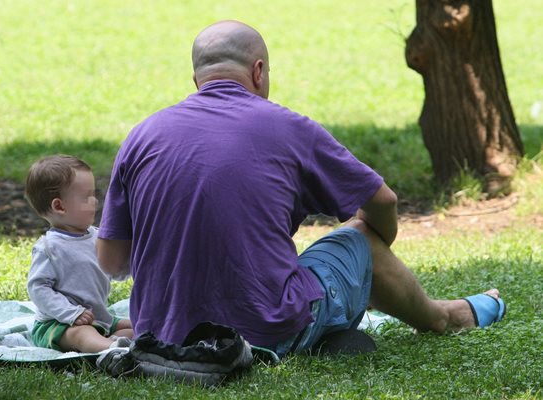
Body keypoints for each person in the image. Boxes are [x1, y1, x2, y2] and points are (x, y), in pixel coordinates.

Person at [97, 20, 505, 357]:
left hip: (163, 338)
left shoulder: (141, 136)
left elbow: (112, 260)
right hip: (266, 333)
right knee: (360, 236)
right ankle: (443, 317)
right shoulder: (288, 127)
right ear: (258, 72)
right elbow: (383, 200)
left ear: (196, 78)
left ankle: (341, 323)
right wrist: (372, 254)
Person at [25, 155, 134, 353]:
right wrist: (71, 313)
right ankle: (113, 350)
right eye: (86, 197)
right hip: (58, 324)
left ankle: (123, 342)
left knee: (137, 325)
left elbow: (117, 269)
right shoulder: (50, 248)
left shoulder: (98, 237)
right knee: (82, 334)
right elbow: (38, 288)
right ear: (59, 206)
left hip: (99, 318)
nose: (95, 201)